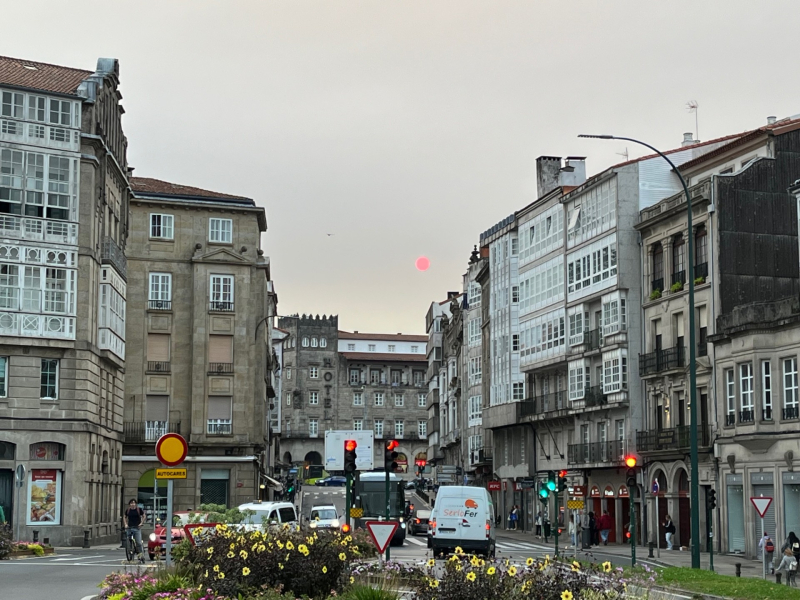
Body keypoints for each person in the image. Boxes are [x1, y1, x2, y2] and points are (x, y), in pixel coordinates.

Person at [123, 499, 146, 563]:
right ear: (129, 504)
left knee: (138, 542)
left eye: (134, 503)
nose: (133, 504)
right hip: (129, 527)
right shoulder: (128, 510)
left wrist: (141, 523)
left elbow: (144, 516)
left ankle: (141, 556)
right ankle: (130, 552)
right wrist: (125, 524)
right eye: (131, 503)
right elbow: (124, 517)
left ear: (136, 504)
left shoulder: (139, 510)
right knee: (129, 540)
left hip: (137, 528)